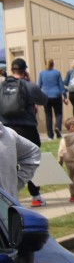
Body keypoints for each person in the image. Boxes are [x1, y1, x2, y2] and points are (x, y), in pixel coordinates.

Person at [1, 58, 48, 206]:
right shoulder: (29, 86)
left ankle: (9, 195)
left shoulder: (2, 86)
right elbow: (44, 100)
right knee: (31, 159)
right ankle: (35, 196)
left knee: (9, 164)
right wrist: (30, 81)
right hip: (27, 129)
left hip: (6, 130)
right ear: (24, 70)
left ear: (11, 70)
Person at [0, 119, 41, 202]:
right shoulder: (9, 134)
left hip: (7, 205)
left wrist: (15, 184)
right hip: (8, 204)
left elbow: (33, 153)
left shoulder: (9, 134)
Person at [37, 58, 68, 141]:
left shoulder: (42, 74)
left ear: (45, 64)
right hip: (56, 95)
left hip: (46, 96)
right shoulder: (57, 73)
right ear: (53, 64)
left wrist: (38, 97)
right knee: (58, 114)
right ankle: (58, 127)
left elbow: (39, 86)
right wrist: (65, 97)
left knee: (48, 115)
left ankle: (50, 135)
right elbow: (61, 85)